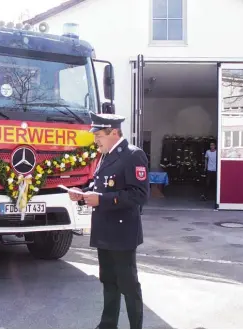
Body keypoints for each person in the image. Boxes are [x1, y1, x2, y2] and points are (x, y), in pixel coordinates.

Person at [68, 112, 150, 329]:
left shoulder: (133, 155)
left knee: (128, 284)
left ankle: (135, 327)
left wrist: (101, 199)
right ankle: (108, 324)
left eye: (99, 136)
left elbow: (139, 195)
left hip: (122, 232)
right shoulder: (105, 154)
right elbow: (101, 187)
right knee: (108, 280)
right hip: (104, 229)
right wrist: (83, 194)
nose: (95, 140)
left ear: (114, 132)